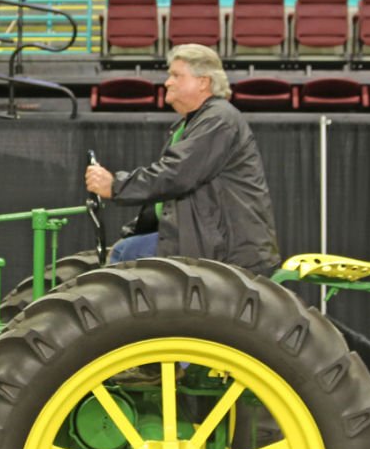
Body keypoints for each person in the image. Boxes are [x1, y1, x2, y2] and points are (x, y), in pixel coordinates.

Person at [84, 43, 281, 277]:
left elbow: (176, 174)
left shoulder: (219, 120)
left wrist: (116, 186)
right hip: (206, 238)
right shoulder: (193, 122)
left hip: (228, 248)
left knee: (126, 255)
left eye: (176, 75)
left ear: (203, 82)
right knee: (128, 247)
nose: (168, 82)